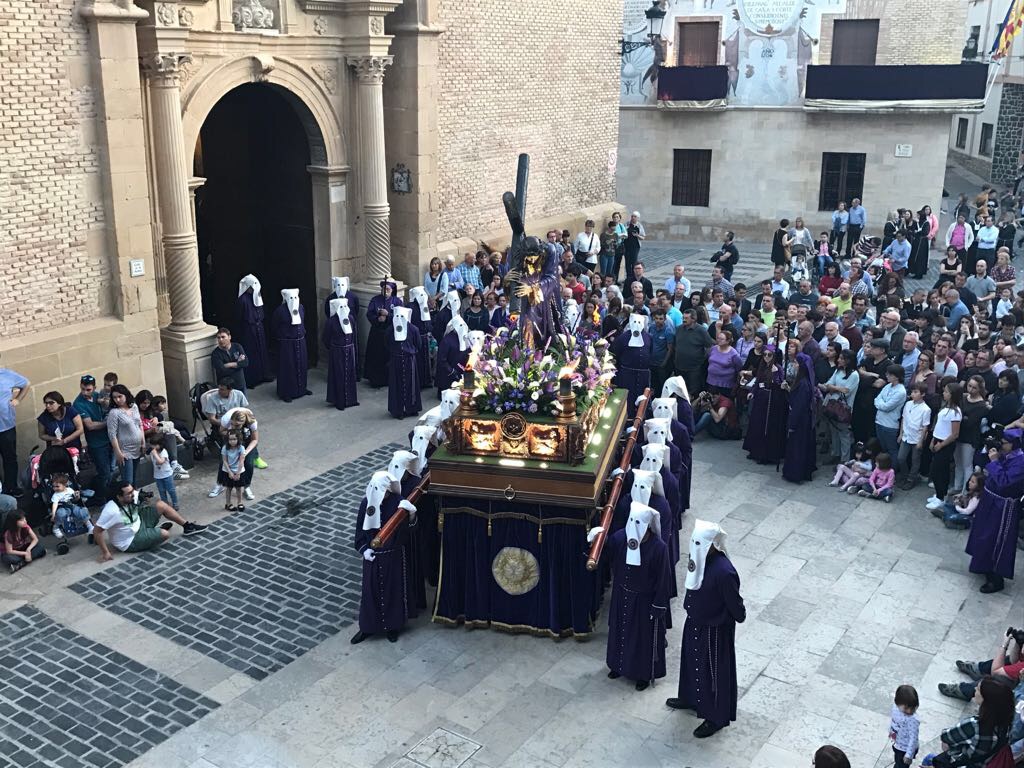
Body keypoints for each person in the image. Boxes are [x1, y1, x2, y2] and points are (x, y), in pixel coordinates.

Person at [666, 520, 745, 738]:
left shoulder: (724, 571)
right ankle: (690, 697)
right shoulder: (700, 559)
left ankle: (716, 716)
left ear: (712, 544)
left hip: (714, 629)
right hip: (695, 621)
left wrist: (736, 615)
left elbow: (734, 604)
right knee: (691, 662)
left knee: (713, 672)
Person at [590, 502, 672, 692]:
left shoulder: (658, 548)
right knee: (619, 631)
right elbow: (607, 556)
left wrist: (658, 605)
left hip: (643, 601)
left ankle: (642, 674)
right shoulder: (621, 538)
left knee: (641, 638)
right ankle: (617, 666)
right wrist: (597, 541)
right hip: (622, 595)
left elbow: (663, 579)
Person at [352, 468, 418, 644]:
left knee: (393, 591)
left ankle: (393, 626)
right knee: (370, 593)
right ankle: (367, 627)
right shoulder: (366, 503)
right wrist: (365, 550)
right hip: (373, 557)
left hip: (393, 556)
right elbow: (360, 532)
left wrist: (411, 515)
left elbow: (409, 532)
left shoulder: (398, 503)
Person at [966, 428, 1024, 593]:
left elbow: (1004, 481)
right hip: (989, 500)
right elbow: (981, 462)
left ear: (1013, 444)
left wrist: (994, 462)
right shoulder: (1003, 454)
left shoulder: (1021, 462)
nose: (1001, 446)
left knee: (995, 539)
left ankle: (996, 578)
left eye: (1004, 443)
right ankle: (982, 565)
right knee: (982, 534)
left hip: (1003, 507)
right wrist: (988, 451)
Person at [94, 480, 207, 562]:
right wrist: (105, 552)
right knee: (165, 534)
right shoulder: (111, 511)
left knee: (161, 505)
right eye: (129, 494)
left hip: (139, 521)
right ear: (119, 497)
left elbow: (149, 500)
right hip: (130, 540)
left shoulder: (131, 495)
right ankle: (154, 532)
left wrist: (145, 499)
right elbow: (97, 531)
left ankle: (187, 526)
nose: (133, 494)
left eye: (132, 491)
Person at [929, 677, 1014, 767]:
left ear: (985, 700)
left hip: (964, 763)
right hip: (986, 763)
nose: (974, 688)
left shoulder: (975, 725)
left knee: (929, 758)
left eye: (978, 689)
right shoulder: (1007, 723)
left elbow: (946, 736)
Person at [926, 383, 963, 512]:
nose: (944, 393)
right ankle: (938, 493)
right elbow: (939, 425)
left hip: (945, 444)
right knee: (936, 469)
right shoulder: (945, 407)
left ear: (953, 395)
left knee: (939, 470)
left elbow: (955, 434)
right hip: (937, 439)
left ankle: (941, 497)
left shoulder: (956, 412)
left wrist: (941, 445)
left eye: (947, 392)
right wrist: (933, 440)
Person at [782, 353, 818, 483]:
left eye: (797, 363)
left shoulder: (803, 384)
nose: (795, 365)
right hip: (802, 419)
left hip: (800, 421)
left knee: (798, 447)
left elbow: (799, 406)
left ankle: (795, 473)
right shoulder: (803, 381)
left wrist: (792, 424)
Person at [74, 374, 112, 496]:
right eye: (82, 389)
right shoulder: (78, 404)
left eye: (88, 390)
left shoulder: (98, 396)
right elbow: (90, 425)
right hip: (97, 444)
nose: (85, 392)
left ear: (94, 388)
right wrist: (109, 422)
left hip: (110, 439)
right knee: (104, 472)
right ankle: (101, 497)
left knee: (111, 470)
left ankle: (108, 494)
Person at [272, 288, 312, 402]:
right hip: (287, 343)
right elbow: (274, 326)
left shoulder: (301, 307)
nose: (294, 300)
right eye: (291, 298)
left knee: (301, 364)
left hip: (300, 341)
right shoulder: (280, 311)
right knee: (288, 367)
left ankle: (301, 389)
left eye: (295, 297)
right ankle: (286, 392)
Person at [611, 313, 653, 418]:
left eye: (639, 322)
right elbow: (615, 354)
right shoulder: (623, 338)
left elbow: (650, 351)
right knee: (628, 399)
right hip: (627, 375)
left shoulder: (648, 337)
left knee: (642, 398)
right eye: (635, 322)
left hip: (643, 375)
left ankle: (640, 419)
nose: (637, 324)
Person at [821, 349, 859, 462]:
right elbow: (828, 383)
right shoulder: (838, 371)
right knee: (834, 432)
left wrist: (832, 388)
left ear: (848, 360)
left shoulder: (854, 375)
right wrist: (835, 388)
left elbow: (846, 391)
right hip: (832, 404)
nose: (839, 360)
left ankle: (844, 459)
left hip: (843, 408)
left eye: (842, 358)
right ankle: (835, 454)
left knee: (844, 434)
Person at [365, 279, 403, 389]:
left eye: (388, 289)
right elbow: (369, 314)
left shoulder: (397, 301)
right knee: (376, 357)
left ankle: (390, 379)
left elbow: (401, 316)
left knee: (389, 357)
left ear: (392, 290)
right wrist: (377, 319)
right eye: (383, 289)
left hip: (390, 333)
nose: (385, 291)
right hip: (377, 333)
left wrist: (388, 316)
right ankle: (376, 380)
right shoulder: (375, 300)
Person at [235, 274, 272, 386]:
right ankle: (252, 379)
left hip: (259, 327)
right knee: (251, 352)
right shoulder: (242, 300)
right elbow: (239, 317)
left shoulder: (257, 296)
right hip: (249, 329)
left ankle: (264, 375)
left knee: (262, 351)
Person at [106, 384, 144, 486]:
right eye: (114, 397)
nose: (117, 400)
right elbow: (112, 434)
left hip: (137, 447)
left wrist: (143, 442)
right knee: (128, 481)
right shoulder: (114, 413)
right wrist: (118, 452)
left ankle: (135, 495)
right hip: (125, 450)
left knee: (135, 477)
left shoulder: (134, 406)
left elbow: (139, 424)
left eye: (120, 396)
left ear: (126, 395)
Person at [387, 307, 422, 420]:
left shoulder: (413, 329)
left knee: (411, 384)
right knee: (397, 384)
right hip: (396, 360)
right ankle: (398, 410)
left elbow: (418, 344)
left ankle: (412, 408)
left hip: (409, 360)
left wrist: (410, 352)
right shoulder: (390, 330)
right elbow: (387, 343)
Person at [325, 300, 359, 410]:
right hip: (337, 351)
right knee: (339, 375)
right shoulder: (331, 321)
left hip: (349, 349)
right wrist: (334, 348)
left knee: (350, 374)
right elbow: (326, 338)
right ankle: (339, 400)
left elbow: (354, 334)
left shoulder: (351, 318)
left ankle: (351, 399)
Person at [897, 384, 931, 489]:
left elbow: (925, 427)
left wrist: (921, 441)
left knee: (915, 460)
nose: (913, 394)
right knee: (901, 458)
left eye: (916, 392)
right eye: (912, 392)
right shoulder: (908, 404)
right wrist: (901, 433)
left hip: (917, 437)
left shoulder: (926, 409)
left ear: (923, 394)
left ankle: (911, 479)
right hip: (906, 435)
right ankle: (904, 476)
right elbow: (904, 418)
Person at [48, 472, 93, 550]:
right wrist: (53, 514)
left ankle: (89, 525)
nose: (55, 488)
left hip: (71, 505)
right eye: (54, 486)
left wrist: (77, 496)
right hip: (62, 507)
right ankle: (56, 527)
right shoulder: (56, 495)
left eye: (57, 486)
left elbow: (75, 500)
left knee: (82, 511)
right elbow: (55, 504)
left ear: (65, 485)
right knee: (60, 514)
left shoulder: (69, 490)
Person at [874, 365, 907, 460]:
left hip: (890, 425)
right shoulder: (888, 386)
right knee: (882, 448)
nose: (886, 376)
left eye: (889, 374)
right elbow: (876, 399)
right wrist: (881, 403)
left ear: (896, 377)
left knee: (891, 450)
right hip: (879, 421)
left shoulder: (901, 391)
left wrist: (880, 403)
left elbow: (886, 407)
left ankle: (892, 468)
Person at [889, 685, 920, 767]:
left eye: (913, 708)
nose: (909, 711)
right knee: (898, 761)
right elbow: (894, 721)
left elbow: (913, 738)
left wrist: (909, 755)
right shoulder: (896, 708)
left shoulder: (913, 719)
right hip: (897, 743)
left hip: (905, 749)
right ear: (897, 703)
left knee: (901, 765)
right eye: (906, 708)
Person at [210, 327, 248, 395]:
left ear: (229, 337)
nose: (221, 340)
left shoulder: (237, 346)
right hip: (226, 388)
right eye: (218, 338)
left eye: (223, 337)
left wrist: (228, 365)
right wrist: (238, 364)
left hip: (240, 384)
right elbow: (222, 370)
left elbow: (245, 363)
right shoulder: (215, 354)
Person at [147, 433, 177, 510]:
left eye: (154, 445)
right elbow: (149, 460)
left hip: (167, 475)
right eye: (152, 445)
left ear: (160, 445)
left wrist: (155, 454)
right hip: (158, 476)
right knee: (161, 491)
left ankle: (175, 503)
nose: (152, 447)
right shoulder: (152, 452)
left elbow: (160, 461)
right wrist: (145, 454)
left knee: (171, 490)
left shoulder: (164, 452)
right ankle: (165, 504)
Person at [219, 430, 247, 512]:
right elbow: (224, 460)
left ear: (238, 439)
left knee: (239, 487)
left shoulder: (241, 448)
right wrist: (229, 472)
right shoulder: (225, 448)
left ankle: (240, 502)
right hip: (228, 470)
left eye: (234, 439)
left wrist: (238, 473)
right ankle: (228, 503)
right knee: (229, 488)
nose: (232, 441)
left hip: (239, 470)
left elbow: (241, 461)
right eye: (230, 439)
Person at [623, 211, 645, 276]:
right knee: (627, 262)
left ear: (638, 218)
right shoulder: (627, 224)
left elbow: (643, 237)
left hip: (635, 247)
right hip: (627, 246)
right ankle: (628, 276)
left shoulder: (639, 226)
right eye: (632, 216)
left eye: (635, 216)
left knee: (634, 261)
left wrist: (637, 235)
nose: (633, 218)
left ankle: (633, 276)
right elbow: (623, 233)